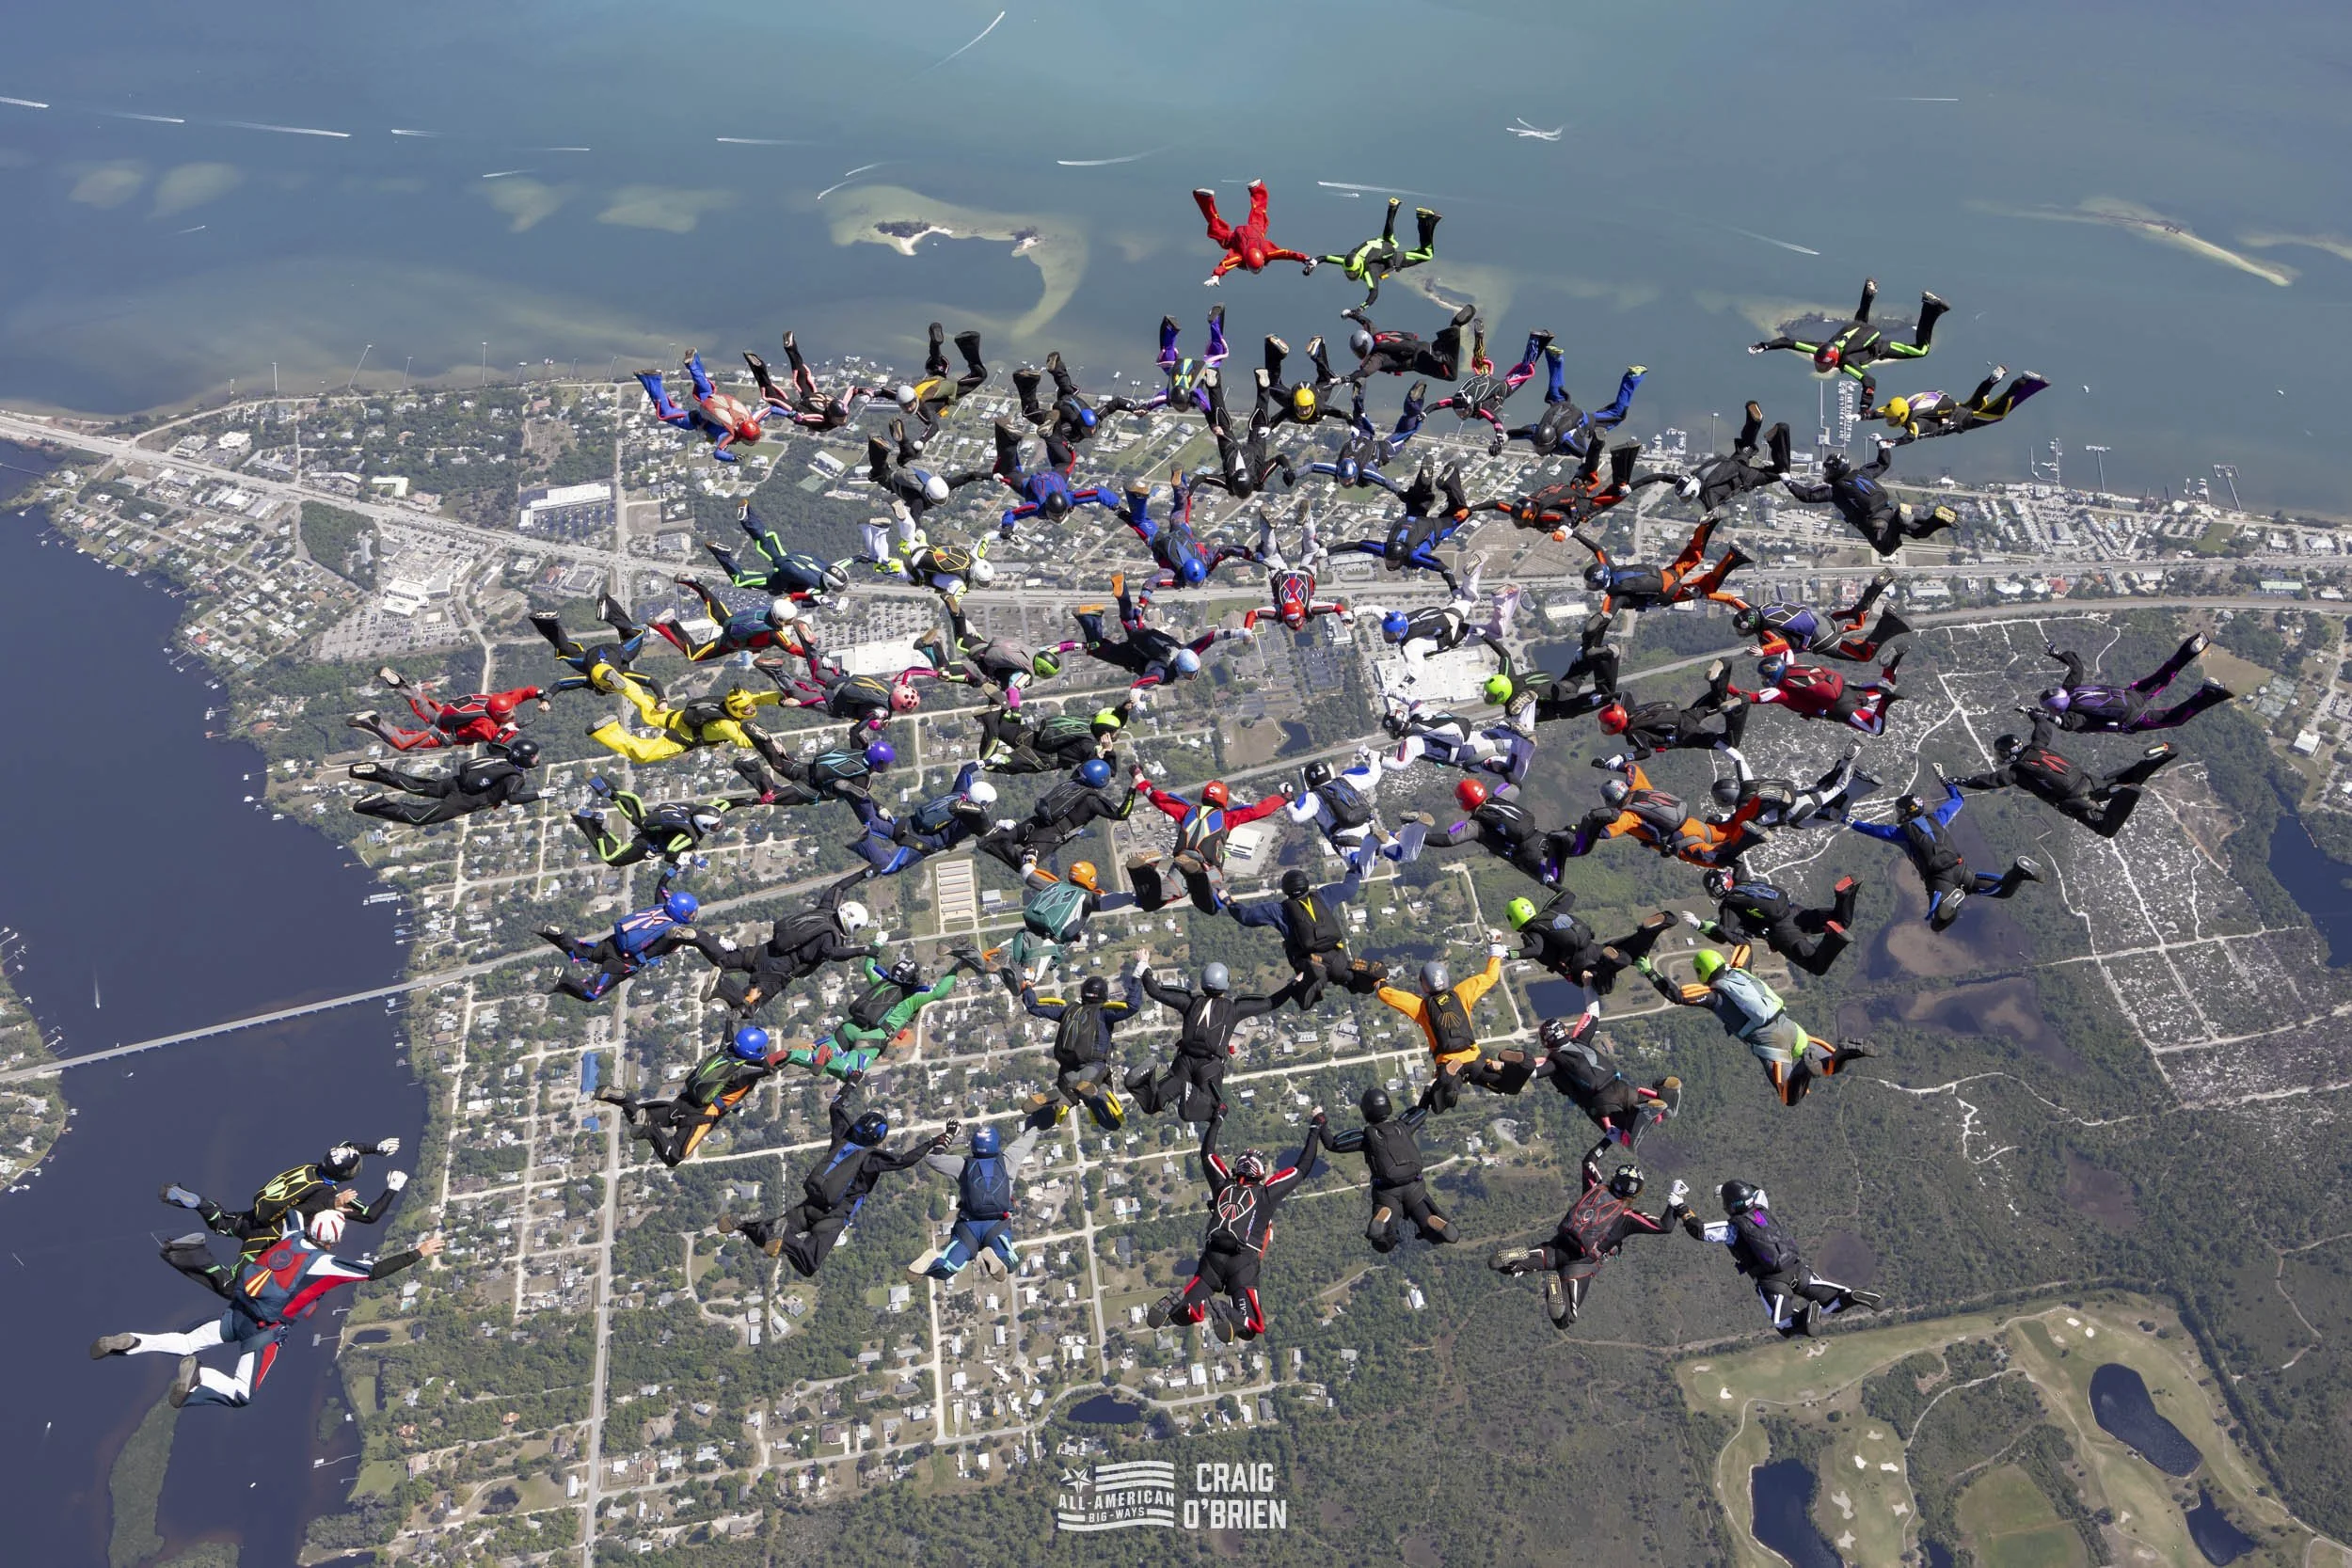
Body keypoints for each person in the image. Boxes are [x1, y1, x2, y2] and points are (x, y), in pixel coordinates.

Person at [93, 1223, 443, 1408]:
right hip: (265, 1332)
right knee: (240, 1395)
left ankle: (134, 1342)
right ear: (333, 1242)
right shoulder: (326, 1263)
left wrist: (333, 1204)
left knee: (185, 1342)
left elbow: (295, 1213)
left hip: (238, 1313)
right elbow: (375, 1271)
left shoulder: (292, 1237)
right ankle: (200, 1379)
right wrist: (419, 1252)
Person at [720, 1098, 950, 1276]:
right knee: (809, 1263)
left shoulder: (843, 1138)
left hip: (810, 1205)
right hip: (835, 1216)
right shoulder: (871, 1158)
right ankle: (784, 1237)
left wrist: (852, 1081)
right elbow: (903, 1161)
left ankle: (747, 1224)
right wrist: (933, 1141)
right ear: (878, 1139)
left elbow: (836, 1107)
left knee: (769, 1234)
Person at [1146, 1110, 1323, 1341]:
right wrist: (1316, 1126)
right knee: (1250, 1328)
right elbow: (1303, 1167)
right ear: (1260, 1173)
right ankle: (1224, 1310)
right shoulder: (1266, 1193)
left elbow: (1208, 1154)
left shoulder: (1222, 1185)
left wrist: (1217, 1119)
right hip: (1243, 1261)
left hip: (1212, 1258)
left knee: (1184, 1314)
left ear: (1237, 1168)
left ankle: (1181, 1304)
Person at [156, 1138, 405, 1298]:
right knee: (233, 1288)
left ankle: (200, 1203)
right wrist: (392, 1189)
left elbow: (347, 1148)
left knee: (222, 1223)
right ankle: (189, 1253)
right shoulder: (327, 1195)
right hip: (267, 1238)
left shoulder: (311, 1168)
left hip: (253, 1218)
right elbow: (371, 1215)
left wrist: (375, 1149)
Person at [1636, 945, 1871, 1108]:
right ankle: (1843, 1052)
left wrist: (1649, 971)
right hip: (1789, 1026)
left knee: (1789, 1097)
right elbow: (1745, 946)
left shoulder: (1714, 995)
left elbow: (1677, 995)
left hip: (1770, 1042)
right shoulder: (1740, 971)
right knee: (1830, 1065)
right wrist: (1714, 926)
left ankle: (1804, 1070)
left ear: (1701, 973)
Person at [1671, 1180, 1883, 1338]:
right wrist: (1727, 1189)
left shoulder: (1732, 1228)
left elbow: (1699, 1231)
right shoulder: (1762, 1207)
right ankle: (1851, 1296)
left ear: (1729, 1205)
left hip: (1772, 1281)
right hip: (1797, 1268)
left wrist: (1680, 1207)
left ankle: (1808, 1318)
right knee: (1830, 1302)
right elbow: (1757, 1190)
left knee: (1784, 1324)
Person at [1489, 1157, 1674, 1329]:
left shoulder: (1596, 1188)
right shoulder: (1627, 1217)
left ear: (1615, 1178)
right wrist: (1676, 1202)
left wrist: (1609, 1139)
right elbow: (1664, 1226)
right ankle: (1554, 1289)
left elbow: (1588, 1162)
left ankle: (1520, 1257)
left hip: (1556, 1247)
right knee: (1564, 1319)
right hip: (1580, 1265)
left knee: (1506, 1267)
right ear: (1635, 1193)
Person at [1847, 781, 2041, 931]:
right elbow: (1958, 800)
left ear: (1904, 812)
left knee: (1938, 923)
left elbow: (1869, 829)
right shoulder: (1937, 818)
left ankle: (1949, 905)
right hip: (1961, 869)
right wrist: (1946, 782)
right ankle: (2019, 871)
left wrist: (1844, 818)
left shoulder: (1900, 833)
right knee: (2003, 890)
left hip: (1940, 879)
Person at [1955, 717, 2178, 839]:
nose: (2000, 758)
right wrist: (2034, 714)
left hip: (2075, 801)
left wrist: (1962, 781)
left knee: (2106, 829)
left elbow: (1991, 781)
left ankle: (2128, 791)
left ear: (2009, 754)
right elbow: (2043, 728)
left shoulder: (2017, 772)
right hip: (2089, 781)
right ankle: (2166, 754)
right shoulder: (2037, 746)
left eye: (2001, 754)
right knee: (2127, 777)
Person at [596, 1026, 786, 1166]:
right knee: (672, 1156)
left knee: (638, 1115)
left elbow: (729, 1035)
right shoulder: (747, 1071)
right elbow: (778, 1060)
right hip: (702, 1115)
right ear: (756, 1051)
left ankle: (624, 1100)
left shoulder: (726, 1050)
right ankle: (648, 1127)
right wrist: (798, 1056)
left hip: (684, 1100)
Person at [1748, 277, 1949, 409]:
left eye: (1823, 366)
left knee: (1921, 350)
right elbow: (1788, 342)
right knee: (1860, 320)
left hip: (1879, 346)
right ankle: (1869, 292)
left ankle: (1932, 309)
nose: (1820, 367)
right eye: (1820, 364)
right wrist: (1765, 346)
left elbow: (1869, 382)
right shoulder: (1820, 348)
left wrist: (1864, 406)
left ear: (1834, 361)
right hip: (1857, 329)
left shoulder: (1846, 363)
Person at [789, 948, 984, 1084]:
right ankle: (826, 1056)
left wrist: (876, 944)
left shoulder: (881, 982)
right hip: (873, 1037)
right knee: (850, 1072)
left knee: (818, 1058)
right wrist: (956, 968)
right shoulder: (913, 998)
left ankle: (786, 1057)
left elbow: (868, 966)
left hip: (850, 1027)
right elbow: (939, 992)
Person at [1127, 959, 1281, 1122]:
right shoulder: (1233, 1009)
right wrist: (1293, 985)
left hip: (1184, 1062)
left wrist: (1144, 966)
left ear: (1202, 982)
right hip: (1209, 1066)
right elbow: (1271, 1003)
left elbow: (1155, 992)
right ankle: (1191, 1099)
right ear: (1226, 983)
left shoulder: (1190, 1002)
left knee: (1153, 1104)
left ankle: (1142, 1082)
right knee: (1214, 1111)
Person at [690, 881, 873, 1016]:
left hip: (765, 951)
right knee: (748, 1008)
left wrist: (865, 872)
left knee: (724, 959)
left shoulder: (823, 912)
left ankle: (696, 937)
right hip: (775, 973)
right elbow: (834, 954)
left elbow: (838, 888)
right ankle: (720, 986)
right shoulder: (830, 939)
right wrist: (863, 950)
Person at [1129, 773, 1294, 913]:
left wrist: (1140, 779)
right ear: (1224, 800)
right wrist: (1283, 799)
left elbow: (1159, 799)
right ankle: (1197, 874)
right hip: (1209, 868)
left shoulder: (1187, 811)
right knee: (1212, 906)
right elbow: (1259, 810)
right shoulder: (1227, 818)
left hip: (1179, 865)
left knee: (1150, 903)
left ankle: (1145, 869)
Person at [1229, 865, 1387, 1010]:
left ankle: (1312, 979)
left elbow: (1246, 917)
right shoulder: (1323, 896)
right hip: (1336, 958)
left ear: (1285, 890)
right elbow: (1350, 888)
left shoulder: (1279, 910)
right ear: (1306, 884)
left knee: (1304, 999)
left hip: (1310, 962)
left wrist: (1229, 902)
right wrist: (1354, 870)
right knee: (1351, 981)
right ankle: (1374, 980)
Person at [1375, 944, 1509, 1113]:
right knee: (1505, 1086)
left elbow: (1388, 995)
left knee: (1439, 1105)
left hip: (1448, 1062)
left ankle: (1449, 1081)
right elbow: (1490, 977)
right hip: (1475, 1059)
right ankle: (1506, 1066)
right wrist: (1495, 953)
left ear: (1424, 985)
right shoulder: (1462, 994)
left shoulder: (1422, 1007)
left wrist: (1379, 980)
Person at [1528, 1012, 1679, 1161]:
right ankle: (1669, 1098)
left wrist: (1515, 1064)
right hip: (1622, 1087)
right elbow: (1594, 1011)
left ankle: (1643, 1111)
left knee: (1627, 1141)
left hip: (1602, 1102)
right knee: (1660, 1111)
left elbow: (1532, 1072)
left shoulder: (1554, 1062)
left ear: (1545, 1042)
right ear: (1564, 1031)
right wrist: (1589, 991)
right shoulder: (1580, 1041)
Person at [909, 1120, 1047, 1281]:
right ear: (996, 1145)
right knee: (1009, 1262)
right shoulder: (1008, 1160)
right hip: (996, 1226)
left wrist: (949, 1135)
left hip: (968, 1227)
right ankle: (993, 1257)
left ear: (973, 1146)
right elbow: (1028, 1139)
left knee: (948, 1267)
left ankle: (931, 1261)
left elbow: (932, 1158)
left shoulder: (963, 1166)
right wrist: (1036, 1119)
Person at [1320, 1086, 1454, 1252]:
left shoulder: (1366, 1136)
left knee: (1382, 1241)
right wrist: (1427, 1090)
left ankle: (1384, 1216)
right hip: (1415, 1186)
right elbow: (1422, 1111)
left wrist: (1320, 1119)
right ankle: (1433, 1223)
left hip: (1387, 1192)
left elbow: (1332, 1144)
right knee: (1430, 1229)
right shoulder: (1403, 1126)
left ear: (1366, 1112)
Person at [1564, 761, 1765, 870]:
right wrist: (1613, 764)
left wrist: (1584, 828)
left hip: (1683, 842)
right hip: (1694, 825)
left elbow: (1607, 832)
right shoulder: (1639, 788)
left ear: (1609, 801)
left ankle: (1750, 837)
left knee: (1717, 858)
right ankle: (1758, 801)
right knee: (1730, 828)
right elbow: (1633, 768)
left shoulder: (1628, 815)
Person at [1013, 968, 1146, 1130]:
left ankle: (1056, 1101)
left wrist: (1027, 987)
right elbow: (1132, 1006)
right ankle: (1093, 1096)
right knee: (1113, 1121)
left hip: (1067, 1074)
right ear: (1104, 995)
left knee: (1061, 1106)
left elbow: (1034, 1007)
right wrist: (1137, 978)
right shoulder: (1104, 1012)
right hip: (1093, 1071)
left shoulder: (1068, 1010)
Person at [1072, 575, 1249, 695]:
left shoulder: (1188, 650)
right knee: (1097, 649)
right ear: (1180, 669)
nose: (1190, 678)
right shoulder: (1165, 673)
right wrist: (1136, 694)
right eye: (1189, 675)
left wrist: (1240, 633)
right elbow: (1147, 680)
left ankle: (1122, 590)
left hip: (1143, 635)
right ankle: (1090, 617)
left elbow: (1214, 636)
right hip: (1132, 656)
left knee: (1128, 620)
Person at [1781, 443, 1960, 559]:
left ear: (1834, 471)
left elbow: (1807, 496)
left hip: (1876, 524)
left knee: (1886, 550)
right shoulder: (1862, 473)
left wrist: (1788, 482)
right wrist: (1882, 446)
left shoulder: (1836, 491)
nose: (1825, 473)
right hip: (1889, 511)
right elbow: (1883, 464)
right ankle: (1938, 520)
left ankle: (1900, 520)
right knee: (1919, 532)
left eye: (1827, 470)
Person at [568, 769, 777, 867]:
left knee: (636, 813)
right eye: (715, 827)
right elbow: (671, 854)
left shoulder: (705, 810)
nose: (719, 827)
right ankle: (594, 825)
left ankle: (610, 791)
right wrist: (692, 859)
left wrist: (754, 801)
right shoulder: (689, 836)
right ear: (704, 825)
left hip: (653, 819)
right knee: (612, 859)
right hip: (648, 843)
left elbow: (728, 803)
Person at [2035, 633, 2233, 733]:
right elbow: (2076, 667)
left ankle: (2208, 693)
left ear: (2056, 708)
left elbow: (2069, 724)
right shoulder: (2070, 688)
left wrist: (2047, 718)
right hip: (2131, 694)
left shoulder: (2073, 714)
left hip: (2133, 717)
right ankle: (2191, 647)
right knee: (2165, 674)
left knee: (2174, 718)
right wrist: (2058, 654)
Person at [1327, 461, 1477, 590]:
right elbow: (1355, 545)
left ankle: (1446, 481)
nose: (1389, 561)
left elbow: (1443, 568)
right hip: (1412, 517)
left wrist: (1454, 589)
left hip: (1433, 527)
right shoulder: (1384, 549)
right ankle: (1423, 483)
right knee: (1419, 499)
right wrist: (1328, 551)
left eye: (1390, 561)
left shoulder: (1413, 556)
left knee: (1460, 512)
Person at [540, 882, 702, 1002]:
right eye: (691, 914)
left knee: (580, 952)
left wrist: (676, 865)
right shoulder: (673, 935)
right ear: (682, 913)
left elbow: (661, 885)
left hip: (613, 943)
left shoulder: (661, 908)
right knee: (591, 993)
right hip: (623, 963)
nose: (693, 917)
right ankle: (561, 979)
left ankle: (558, 935)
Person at [1497, 332, 1646, 459]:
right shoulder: (1536, 431)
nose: (1539, 450)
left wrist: (1588, 460)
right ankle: (1554, 358)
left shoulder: (1565, 440)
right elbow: (1518, 433)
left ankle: (1633, 377)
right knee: (1555, 393)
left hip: (1583, 419)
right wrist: (1504, 438)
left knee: (1617, 414)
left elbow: (1582, 453)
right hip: (1560, 407)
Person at [976, 759, 1136, 875]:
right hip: (1051, 836)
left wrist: (1103, 752)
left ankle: (991, 836)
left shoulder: (1072, 783)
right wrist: (1133, 787)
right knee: (1023, 866)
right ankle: (1013, 847)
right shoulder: (1092, 800)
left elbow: (1087, 768)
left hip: (1035, 822)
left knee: (1005, 835)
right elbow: (1122, 814)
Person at [986, 861, 1139, 982]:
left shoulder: (1055, 886)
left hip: (1029, 932)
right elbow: (1107, 901)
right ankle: (1022, 977)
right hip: (1048, 943)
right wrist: (1133, 897)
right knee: (1031, 978)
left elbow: (1028, 874)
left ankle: (988, 957)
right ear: (1091, 879)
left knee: (1009, 951)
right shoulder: (1086, 898)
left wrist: (1030, 857)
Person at [913, 598, 1079, 710]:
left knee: (961, 640)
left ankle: (957, 614)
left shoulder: (1040, 651)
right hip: (981, 670)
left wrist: (1083, 646)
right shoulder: (1025, 674)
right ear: (1042, 671)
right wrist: (1015, 709)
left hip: (985, 648)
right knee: (944, 672)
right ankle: (931, 646)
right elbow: (1014, 688)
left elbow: (1061, 647)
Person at [1692, 866, 1858, 977]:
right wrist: (1714, 857)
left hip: (1782, 931)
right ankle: (1845, 895)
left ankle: (1833, 937)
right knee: (1841, 920)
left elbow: (1723, 934)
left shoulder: (1730, 906)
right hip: (1794, 910)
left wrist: (1700, 926)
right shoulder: (1742, 881)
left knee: (1816, 966)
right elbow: (1738, 864)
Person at [1715, 570, 1908, 662]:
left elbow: (1781, 644)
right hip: (1821, 621)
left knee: (1863, 655)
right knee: (1857, 620)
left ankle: (1888, 622)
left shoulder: (1766, 631)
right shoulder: (1757, 609)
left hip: (1821, 639)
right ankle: (1875, 588)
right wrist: (1709, 595)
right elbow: (1732, 599)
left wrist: (1763, 652)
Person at [1505, 891, 1674, 996]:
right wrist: (1548, 880)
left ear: (1513, 920)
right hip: (1594, 948)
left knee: (1603, 989)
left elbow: (1535, 950)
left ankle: (1609, 961)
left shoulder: (1532, 934)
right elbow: (1568, 895)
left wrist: (1508, 954)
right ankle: (1649, 929)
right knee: (1633, 953)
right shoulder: (1549, 912)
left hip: (1581, 967)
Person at [1574, 516, 1752, 615]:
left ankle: (1732, 557)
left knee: (1707, 587)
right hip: (1665, 574)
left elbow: (1606, 616)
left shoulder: (1614, 595)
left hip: (1669, 593)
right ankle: (1704, 527)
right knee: (1693, 556)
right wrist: (1574, 534)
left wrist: (1592, 639)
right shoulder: (1612, 568)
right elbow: (1597, 549)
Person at [1475, 436, 1644, 539]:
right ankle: (1597, 443)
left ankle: (1621, 456)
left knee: (1618, 494)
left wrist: (1563, 531)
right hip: (1571, 490)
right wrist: (1470, 509)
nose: (1518, 520)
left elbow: (1566, 520)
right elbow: (1496, 504)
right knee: (1589, 474)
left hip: (1580, 507)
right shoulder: (1529, 505)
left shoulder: (1544, 516)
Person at [845, 764, 994, 879]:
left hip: (909, 822)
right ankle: (862, 842)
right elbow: (987, 829)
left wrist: (989, 761)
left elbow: (966, 770)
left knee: (873, 822)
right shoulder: (972, 820)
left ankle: (856, 797)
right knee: (888, 867)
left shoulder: (960, 793)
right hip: (923, 842)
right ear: (980, 803)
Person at [1289, 749, 1428, 871]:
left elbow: (1296, 816)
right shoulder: (1345, 780)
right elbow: (1374, 775)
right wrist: (1373, 757)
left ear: (1309, 782)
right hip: (1369, 827)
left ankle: (1371, 843)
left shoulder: (1312, 797)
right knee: (1403, 855)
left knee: (1360, 870)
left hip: (1346, 837)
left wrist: (1287, 800)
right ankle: (1414, 825)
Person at [351, 737, 542, 826]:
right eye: (534, 756)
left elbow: (493, 744)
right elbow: (513, 798)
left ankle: (376, 772)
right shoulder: (516, 778)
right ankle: (377, 804)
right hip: (462, 801)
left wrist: (511, 727)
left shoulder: (504, 754)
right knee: (419, 817)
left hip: (456, 782)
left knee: (417, 786)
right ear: (525, 759)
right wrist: (539, 795)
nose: (537, 759)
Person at [1114, 474, 1261, 589]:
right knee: (1139, 522)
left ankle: (1179, 485)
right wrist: (1143, 600)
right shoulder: (1175, 574)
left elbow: (1226, 550)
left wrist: (1250, 555)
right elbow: (1153, 582)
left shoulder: (1205, 562)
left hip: (1181, 533)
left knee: (1181, 507)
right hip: (1158, 542)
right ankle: (1127, 502)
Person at [585, 683, 785, 766]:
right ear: (735, 710)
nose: (750, 709)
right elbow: (743, 740)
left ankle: (625, 685)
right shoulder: (727, 725)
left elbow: (759, 698)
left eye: (750, 706)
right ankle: (607, 730)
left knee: (648, 709)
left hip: (679, 717)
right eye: (746, 709)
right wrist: (768, 741)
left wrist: (782, 699)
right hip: (682, 738)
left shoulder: (728, 703)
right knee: (642, 755)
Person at [347, 671, 548, 752]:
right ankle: (372, 721)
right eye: (508, 714)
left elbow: (525, 692)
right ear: (498, 715)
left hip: (444, 715)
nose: (512, 714)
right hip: (443, 733)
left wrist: (542, 696)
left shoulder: (499, 701)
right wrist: (514, 728)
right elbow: (496, 740)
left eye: (512, 710)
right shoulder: (484, 722)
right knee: (403, 743)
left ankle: (400, 684)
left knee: (421, 704)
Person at [636, 348, 778, 462]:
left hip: (714, 404)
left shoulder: (750, 419)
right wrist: (732, 458)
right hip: (695, 420)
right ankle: (652, 379)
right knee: (666, 413)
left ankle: (693, 364)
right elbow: (718, 453)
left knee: (706, 391)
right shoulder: (729, 435)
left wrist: (789, 413)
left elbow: (771, 409)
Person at [1427, 777, 1575, 887]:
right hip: (1539, 836)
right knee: (1569, 853)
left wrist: (1421, 838)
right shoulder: (1500, 799)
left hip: (1525, 854)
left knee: (1553, 880)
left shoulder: (1476, 825)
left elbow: (1448, 840)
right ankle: (1566, 838)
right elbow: (1516, 785)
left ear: (1462, 803)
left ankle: (1555, 853)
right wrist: (1501, 768)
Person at [989, 419, 1119, 538]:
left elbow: (1098, 493)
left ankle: (1051, 433)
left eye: (1057, 516)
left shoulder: (1070, 499)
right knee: (1007, 472)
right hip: (1031, 484)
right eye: (1057, 516)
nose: (1058, 519)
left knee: (1066, 461)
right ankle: (1011, 438)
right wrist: (1007, 527)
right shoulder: (1037, 507)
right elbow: (1011, 514)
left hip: (1055, 477)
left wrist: (1115, 505)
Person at [703, 502, 853, 603]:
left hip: (787, 558)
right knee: (741, 580)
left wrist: (862, 558)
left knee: (765, 540)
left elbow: (848, 561)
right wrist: (827, 603)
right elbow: (816, 598)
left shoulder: (828, 567)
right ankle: (722, 554)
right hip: (778, 580)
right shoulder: (818, 589)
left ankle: (747, 516)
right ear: (830, 583)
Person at [1593, 662, 1747, 760]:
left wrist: (1622, 758)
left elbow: (1645, 752)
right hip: (1685, 715)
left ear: (1616, 725)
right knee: (1716, 700)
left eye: (1606, 725)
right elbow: (1624, 695)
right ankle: (1723, 668)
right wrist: (1604, 697)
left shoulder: (1634, 733)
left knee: (1730, 742)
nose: (1603, 727)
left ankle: (1742, 703)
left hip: (1686, 734)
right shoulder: (1629, 710)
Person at [1490, 611, 1619, 727]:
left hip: (1564, 706)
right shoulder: (1508, 678)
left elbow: (1524, 729)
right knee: (1584, 661)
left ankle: (1611, 655)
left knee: (1605, 696)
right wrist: (1483, 635)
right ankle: (1592, 633)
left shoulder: (1511, 710)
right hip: (1559, 687)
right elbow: (1504, 654)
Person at [744, 327, 886, 432]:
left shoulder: (842, 406)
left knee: (802, 375)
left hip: (812, 397)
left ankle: (791, 347)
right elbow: (811, 418)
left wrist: (865, 391)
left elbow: (852, 391)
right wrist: (798, 417)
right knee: (771, 396)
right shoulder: (823, 420)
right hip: (802, 409)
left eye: (843, 417)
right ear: (831, 415)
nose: (843, 421)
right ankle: (758, 367)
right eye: (840, 419)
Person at [1664, 400, 1792, 514]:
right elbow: (1663, 476)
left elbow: (1713, 516)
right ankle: (1755, 421)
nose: (1687, 500)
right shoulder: (1697, 475)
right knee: (1746, 444)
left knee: (1781, 472)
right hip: (1735, 461)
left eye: (1687, 498)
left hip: (1746, 477)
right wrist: (1650, 479)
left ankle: (1780, 432)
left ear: (1693, 491)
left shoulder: (1708, 495)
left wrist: (1704, 526)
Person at [1708, 745, 1875, 832]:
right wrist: (1715, 741)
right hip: (1801, 796)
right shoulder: (1748, 783)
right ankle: (1846, 760)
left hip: (1799, 817)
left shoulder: (1742, 813)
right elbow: (1738, 758)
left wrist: (1712, 821)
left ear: (1725, 800)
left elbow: (1727, 820)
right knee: (1825, 786)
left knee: (1836, 812)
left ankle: (1850, 766)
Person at [1103, 308, 1227, 421]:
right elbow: (1151, 403)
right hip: (1176, 367)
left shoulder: (1191, 397)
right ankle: (1170, 329)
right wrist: (1144, 408)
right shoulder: (1173, 396)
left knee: (1215, 356)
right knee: (1167, 353)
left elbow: (1209, 412)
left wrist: (1215, 425)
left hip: (1194, 368)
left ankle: (1214, 321)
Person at [1192, 368, 1297, 500]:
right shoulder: (1229, 482)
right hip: (1232, 450)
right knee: (1222, 425)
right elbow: (1202, 478)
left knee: (1258, 424)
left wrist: (1287, 470)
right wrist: (1189, 492)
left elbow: (1279, 459)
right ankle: (1214, 385)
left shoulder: (1258, 478)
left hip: (1253, 450)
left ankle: (1263, 387)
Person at [1737, 654, 1902, 736]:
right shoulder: (1794, 667)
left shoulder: (1783, 692)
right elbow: (1785, 647)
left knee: (1875, 728)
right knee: (1884, 688)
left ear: (1773, 674)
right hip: (1845, 689)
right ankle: (1892, 664)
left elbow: (1755, 697)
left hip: (1839, 708)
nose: (1764, 681)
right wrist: (1765, 648)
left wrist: (1730, 691)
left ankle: (1887, 699)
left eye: (1765, 677)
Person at [1869, 367, 2047, 443]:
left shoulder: (1915, 424)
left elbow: (1909, 438)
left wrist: (1889, 442)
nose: (1889, 421)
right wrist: (1864, 415)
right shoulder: (1911, 404)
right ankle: (1992, 379)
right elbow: (1883, 411)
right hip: (1957, 409)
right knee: (1977, 402)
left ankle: (2021, 382)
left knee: (1997, 414)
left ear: (1901, 416)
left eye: (1891, 419)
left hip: (1964, 421)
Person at [650, 577, 809, 662]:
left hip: (732, 622)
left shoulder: (778, 606)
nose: (793, 620)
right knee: (694, 654)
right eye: (790, 620)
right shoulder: (775, 635)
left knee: (715, 606)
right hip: (728, 642)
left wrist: (813, 595)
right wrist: (816, 657)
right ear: (781, 620)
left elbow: (792, 597)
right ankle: (666, 624)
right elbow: (794, 649)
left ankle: (694, 583)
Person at [1302, 382, 1422, 496]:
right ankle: (1358, 399)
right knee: (1359, 417)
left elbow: (1384, 481)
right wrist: (1294, 474)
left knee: (1404, 433)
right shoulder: (1337, 469)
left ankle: (1413, 403)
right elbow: (1312, 467)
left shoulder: (1365, 471)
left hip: (1381, 451)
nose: (1346, 483)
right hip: (1360, 440)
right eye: (1344, 480)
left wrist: (1400, 493)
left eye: (1347, 480)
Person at [1315, 197, 1439, 305]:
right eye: (1350, 273)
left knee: (1427, 254)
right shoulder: (1345, 260)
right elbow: (1324, 258)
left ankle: (1424, 220)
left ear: (1360, 267)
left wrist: (1360, 308)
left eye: (1353, 273)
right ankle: (1393, 207)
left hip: (1396, 259)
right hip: (1379, 245)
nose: (1351, 275)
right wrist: (1313, 263)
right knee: (1387, 238)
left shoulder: (1369, 273)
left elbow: (1373, 293)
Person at [530, 600, 663, 701]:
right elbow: (560, 684)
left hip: (615, 652)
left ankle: (608, 608)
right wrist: (547, 699)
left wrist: (662, 699)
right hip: (594, 657)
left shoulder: (622, 675)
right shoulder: (588, 681)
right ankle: (548, 623)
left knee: (634, 634)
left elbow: (651, 681)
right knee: (564, 649)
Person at [866, 419, 989, 525]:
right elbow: (915, 517)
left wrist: (991, 476)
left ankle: (902, 440)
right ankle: (877, 445)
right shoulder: (919, 502)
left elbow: (970, 476)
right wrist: (918, 530)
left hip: (912, 464)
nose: (939, 502)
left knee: (909, 455)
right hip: (894, 482)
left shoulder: (947, 483)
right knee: (879, 472)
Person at [1242, 510, 1348, 630]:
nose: (1296, 624)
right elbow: (1337, 607)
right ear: (1302, 615)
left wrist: (1247, 630)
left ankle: (1305, 521)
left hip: (1288, 573)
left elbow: (1253, 614)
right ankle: (1271, 525)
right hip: (1288, 573)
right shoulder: (1303, 609)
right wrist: (1345, 616)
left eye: (1293, 623)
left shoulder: (1290, 610)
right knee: (1304, 548)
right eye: (1298, 621)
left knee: (1305, 548)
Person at [759, 655, 928, 732]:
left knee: (819, 670)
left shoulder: (892, 686)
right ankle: (775, 670)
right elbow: (870, 723)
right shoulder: (883, 712)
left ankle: (811, 648)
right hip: (835, 703)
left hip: (842, 681)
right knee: (798, 696)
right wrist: (879, 726)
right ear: (900, 706)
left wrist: (933, 673)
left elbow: (910, 671)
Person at [1193, 180, 1318, 283]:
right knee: (1216, 229)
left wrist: (1306, 259)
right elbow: (1226, 264)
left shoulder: (1267, 252)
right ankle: (1205, 198)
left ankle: (1256, 188)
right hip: (1239, 236)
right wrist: (1216, 276)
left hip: (1256, 231)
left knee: (1259, 211)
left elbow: (1287, 254)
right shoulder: (1240, 255)